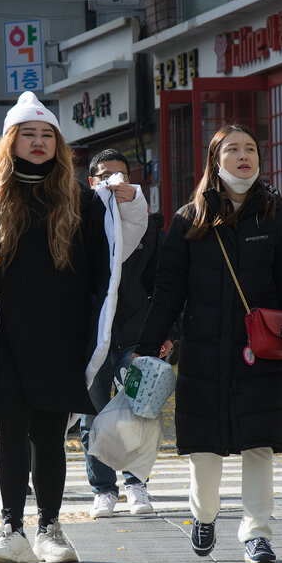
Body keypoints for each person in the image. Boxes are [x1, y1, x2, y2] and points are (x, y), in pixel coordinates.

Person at [0, 91, 147, 563]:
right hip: (4, 336)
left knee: (48, 433)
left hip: (61, 335)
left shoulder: (83, 198)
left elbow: (121, 246)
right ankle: (11, 530)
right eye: (29, 134)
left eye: (48, 135)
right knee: (10, 429)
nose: (40, 142)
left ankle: (49, 528)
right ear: (10, 141)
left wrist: (129, 203)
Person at [135, 124, 282, 563]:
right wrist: (148, 345)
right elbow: (168, 290)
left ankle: (257, 533)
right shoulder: (191, 219)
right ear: (215, 160)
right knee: (204, 444)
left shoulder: (277, 217)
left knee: (259, 443)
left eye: (250, 149)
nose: (243, 156)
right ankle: (203, 517)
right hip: (203, 350)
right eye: (232, 150)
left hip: (259, 351)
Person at [81, 149, 173, 519]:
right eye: (106, 177)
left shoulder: (149, 227)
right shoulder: (81, 224)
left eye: (121, 176)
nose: (114, 183)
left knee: (142, 407)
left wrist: (166, 332)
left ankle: (137, 485)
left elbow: (162, 284)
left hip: (137, 332)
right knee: (93, 413)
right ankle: (103, 489)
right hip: (92, 336)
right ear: (93, 183)